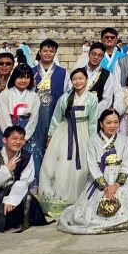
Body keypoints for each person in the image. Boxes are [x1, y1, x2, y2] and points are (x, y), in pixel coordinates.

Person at [58, 109, 128, 234]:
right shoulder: (93, 141)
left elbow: (126, 163)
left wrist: (116, 185)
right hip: (100, 177)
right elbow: (92, 165)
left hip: (119, 177)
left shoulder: (123, 140)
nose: (113, 126)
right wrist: (105, 187)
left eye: (116, 122)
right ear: (101, 124)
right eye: (109, 123)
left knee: (124, 198)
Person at [38, 67, 100, 217]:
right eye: (75, 79)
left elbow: (93, 122)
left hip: (83, 132)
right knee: (60, 164)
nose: (78, 81)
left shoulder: (92, 99)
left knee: (81, 166)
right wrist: (50, 135)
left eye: (81, 78)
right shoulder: (65, 97)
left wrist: (93, 141)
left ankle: (79, 200)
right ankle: (59, 198)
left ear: (86, 80)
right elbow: (56, 117)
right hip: (64, 131)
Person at [0, 66, 43, 188]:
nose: (24, 80)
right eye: (20, 77)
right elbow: (3, 116)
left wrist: (24, 137)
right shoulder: (5, 94)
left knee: (32, 156)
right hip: (7, 130)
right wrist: (11, 136)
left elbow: (34, 118)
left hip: (27, 131)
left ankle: (27, 188)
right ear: (14, 78)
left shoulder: (34, 96)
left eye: (27, 77)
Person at [83, 42, 115, 109]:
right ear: (89, 54)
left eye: (100, 55)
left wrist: (92, 112)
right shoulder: (79, 72)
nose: (96, 57)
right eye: (94, 54)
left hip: (97, 112)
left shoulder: (107, 75)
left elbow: (107, 100)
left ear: (103, 57)